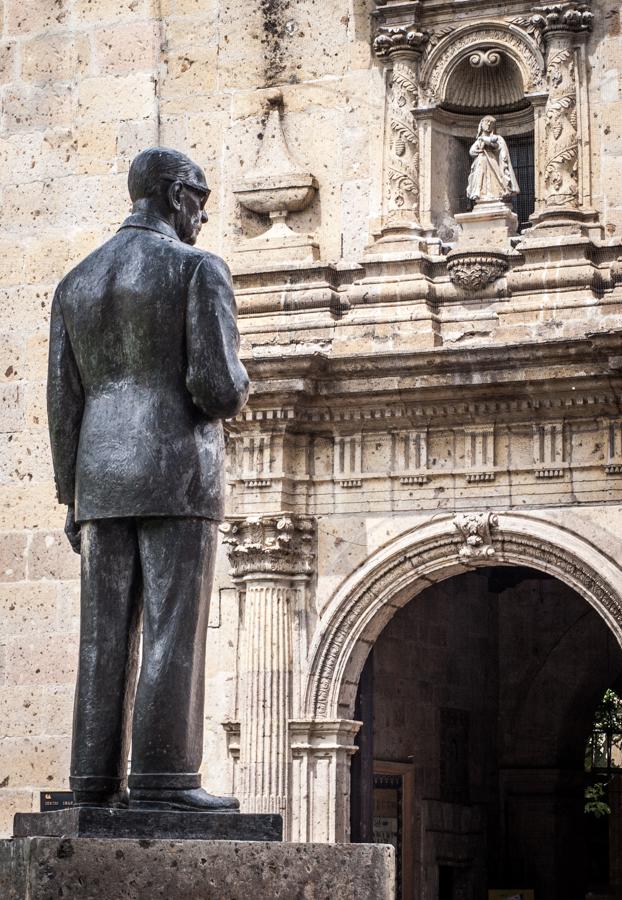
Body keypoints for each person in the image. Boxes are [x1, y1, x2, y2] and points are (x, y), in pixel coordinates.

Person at [47, 147, 250, 811]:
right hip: (174, 472)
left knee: (102, 637)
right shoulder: (196, 270)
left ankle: (91, 783)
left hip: (99, 478)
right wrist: (244, 381)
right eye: (200, 197)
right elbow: (216, 389)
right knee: (171, 626)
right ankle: (165, 781)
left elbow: (62, 400)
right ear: (171, 194)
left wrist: (71, 495)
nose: (204, 214)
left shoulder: (77, 282)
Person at [466, 115, 520, 204]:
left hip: (492, 160)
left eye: (491, 123)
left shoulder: (497, 138)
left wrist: (488, 142)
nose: (488, 124)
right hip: (480, 162)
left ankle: (496, 193)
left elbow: (498, 147)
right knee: (480, 177)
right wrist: (479, 149)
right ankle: (479, 193)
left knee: (495, 177)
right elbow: (471, 151)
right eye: (486, 122)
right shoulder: (479, 140)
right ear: (481, 124)